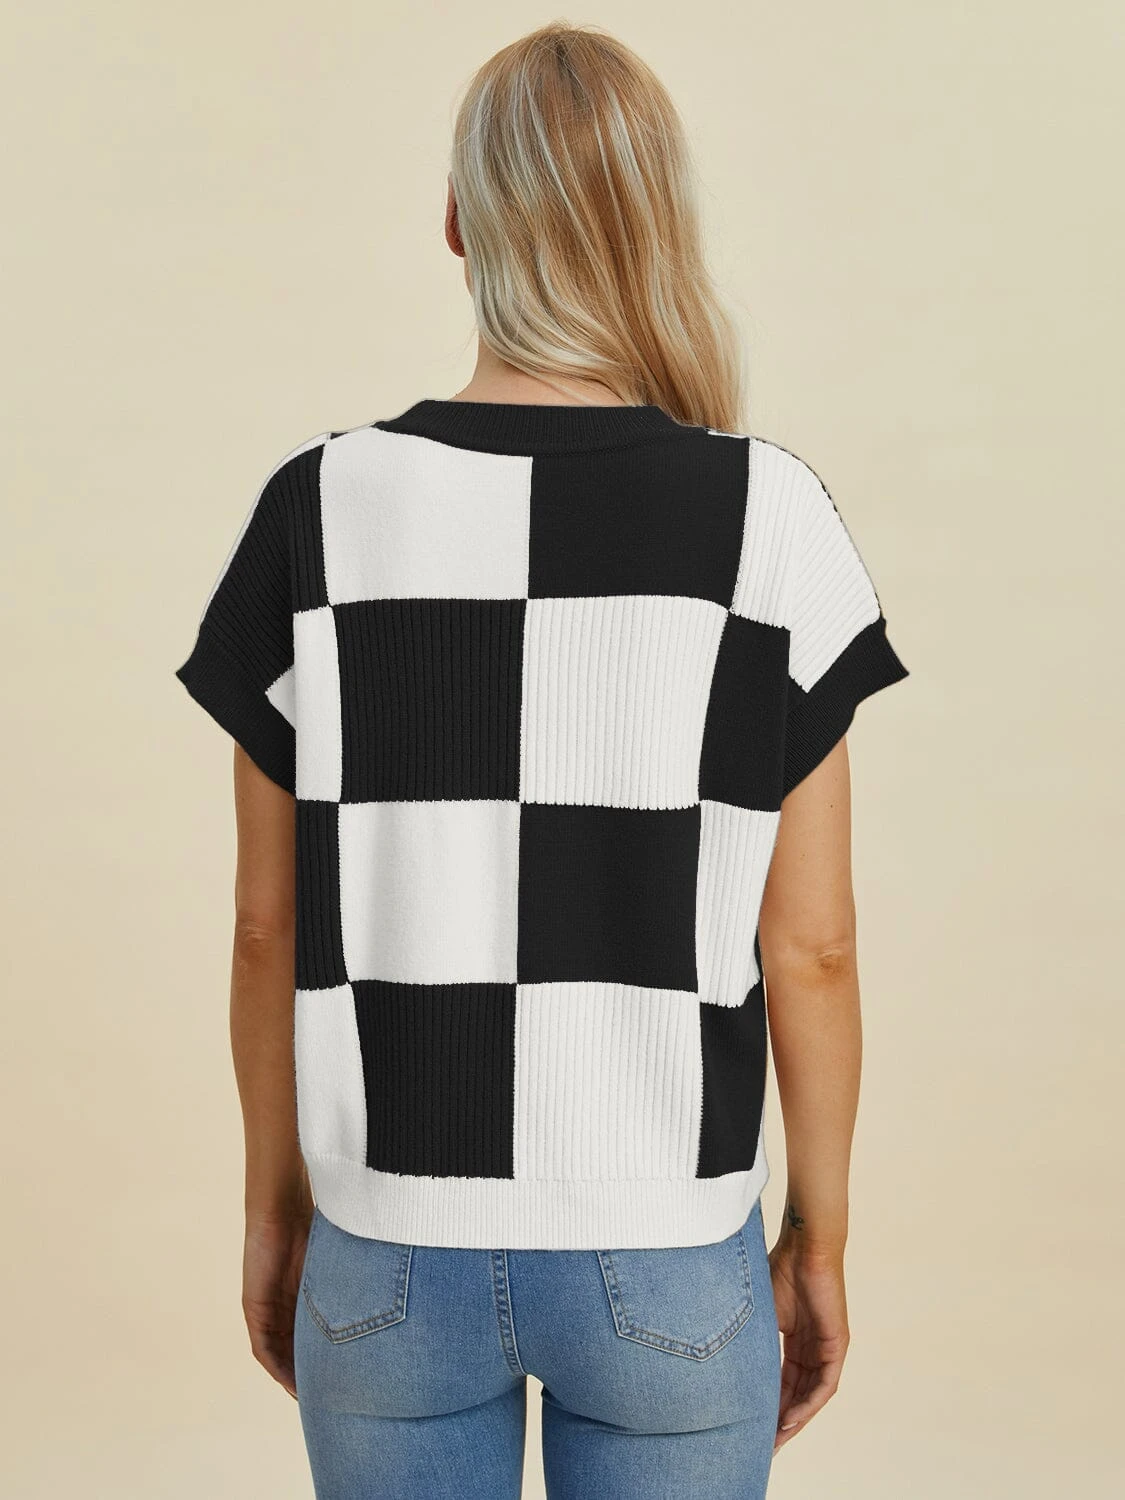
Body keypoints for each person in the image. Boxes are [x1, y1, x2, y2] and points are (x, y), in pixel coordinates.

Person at [173, 21, 910, 1500]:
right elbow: (814, 948)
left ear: (460, 222)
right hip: (670, 1257)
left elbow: (267, 927)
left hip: (388, 1250)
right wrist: (819, 1236)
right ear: (658, 220)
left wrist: (272, 1209)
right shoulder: (769, 518)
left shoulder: (318, 511)